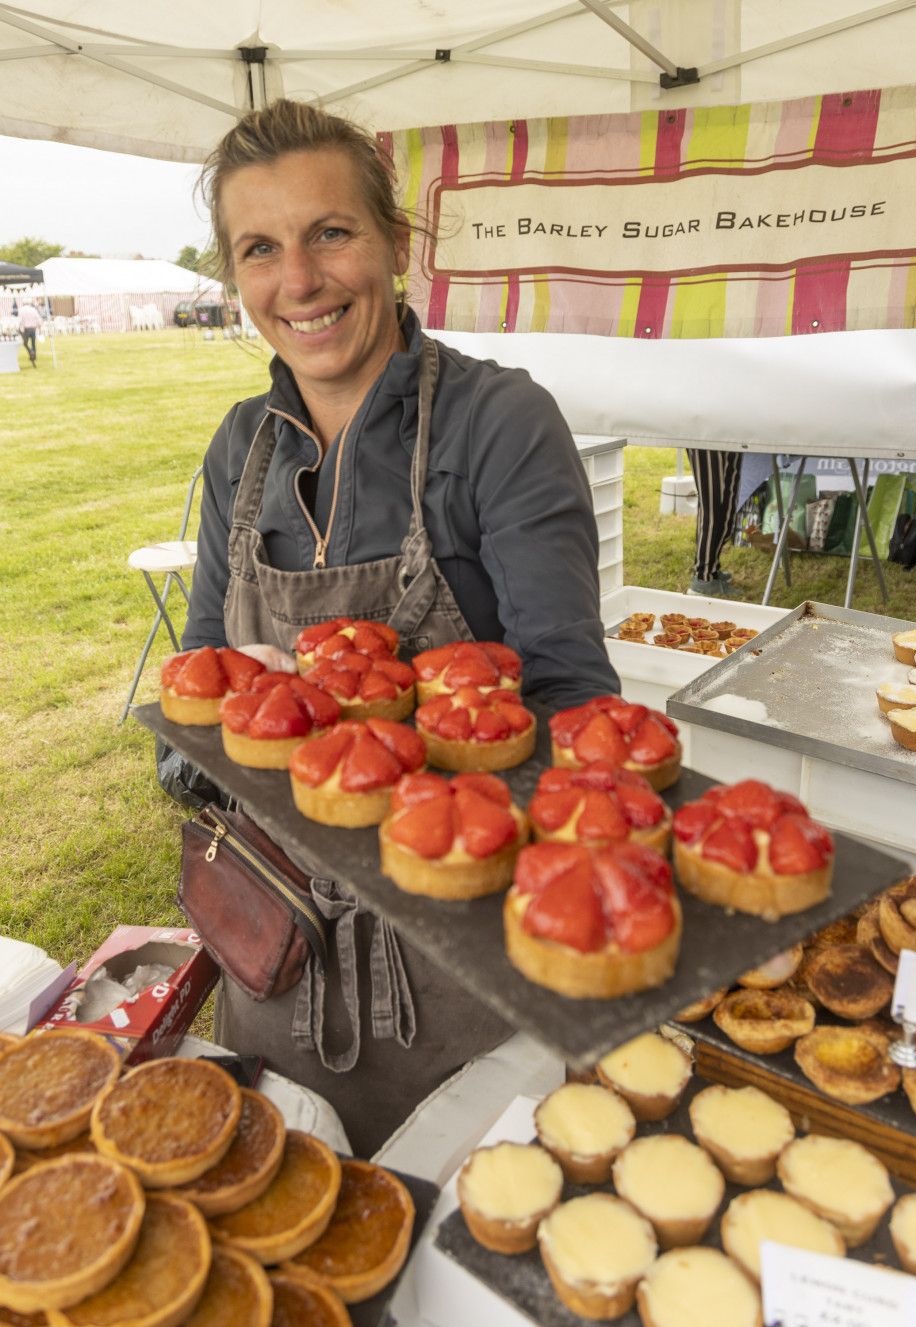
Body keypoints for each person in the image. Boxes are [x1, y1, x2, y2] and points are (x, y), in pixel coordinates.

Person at [179, 98, 621, 1156]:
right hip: (271, 964)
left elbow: (575, 707)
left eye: (330, 232)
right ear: (234, 273)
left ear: (396, 243)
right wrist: (227, 732)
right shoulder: (239, 449)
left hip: (461, 980)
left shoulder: (498, 425)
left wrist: (384, 731)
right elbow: (196, 702)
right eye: (260, 248)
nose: (300, 280)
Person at [687, 448, 743, 598]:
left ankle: (711, 568)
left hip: (728, 433)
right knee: (712, 506)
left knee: (727, 501)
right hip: (707, 434)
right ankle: (703, 578)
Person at [18, 302, 42, 366]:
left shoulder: (21, 310)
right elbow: (38, 319)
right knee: (33, 343)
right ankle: (34, 356)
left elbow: (20, 320)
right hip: (33, 328)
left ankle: (31, 351)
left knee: (25, 343)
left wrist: (19, 327)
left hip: (27, 329)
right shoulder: (33, 310)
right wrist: (40, 329)